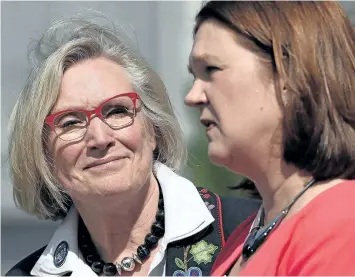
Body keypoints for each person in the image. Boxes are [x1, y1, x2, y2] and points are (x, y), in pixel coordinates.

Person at [5, 14, 260, 277]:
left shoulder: (251, 232)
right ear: (43, 155)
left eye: (117, 111)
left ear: (154, 130)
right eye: (70, 123)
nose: (100, 139)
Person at [185, 1, 355, 276]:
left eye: (211, 70)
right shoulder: (244, 238)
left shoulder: (341, 222)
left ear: (289, 73)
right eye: (195, 75)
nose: (192, 96)